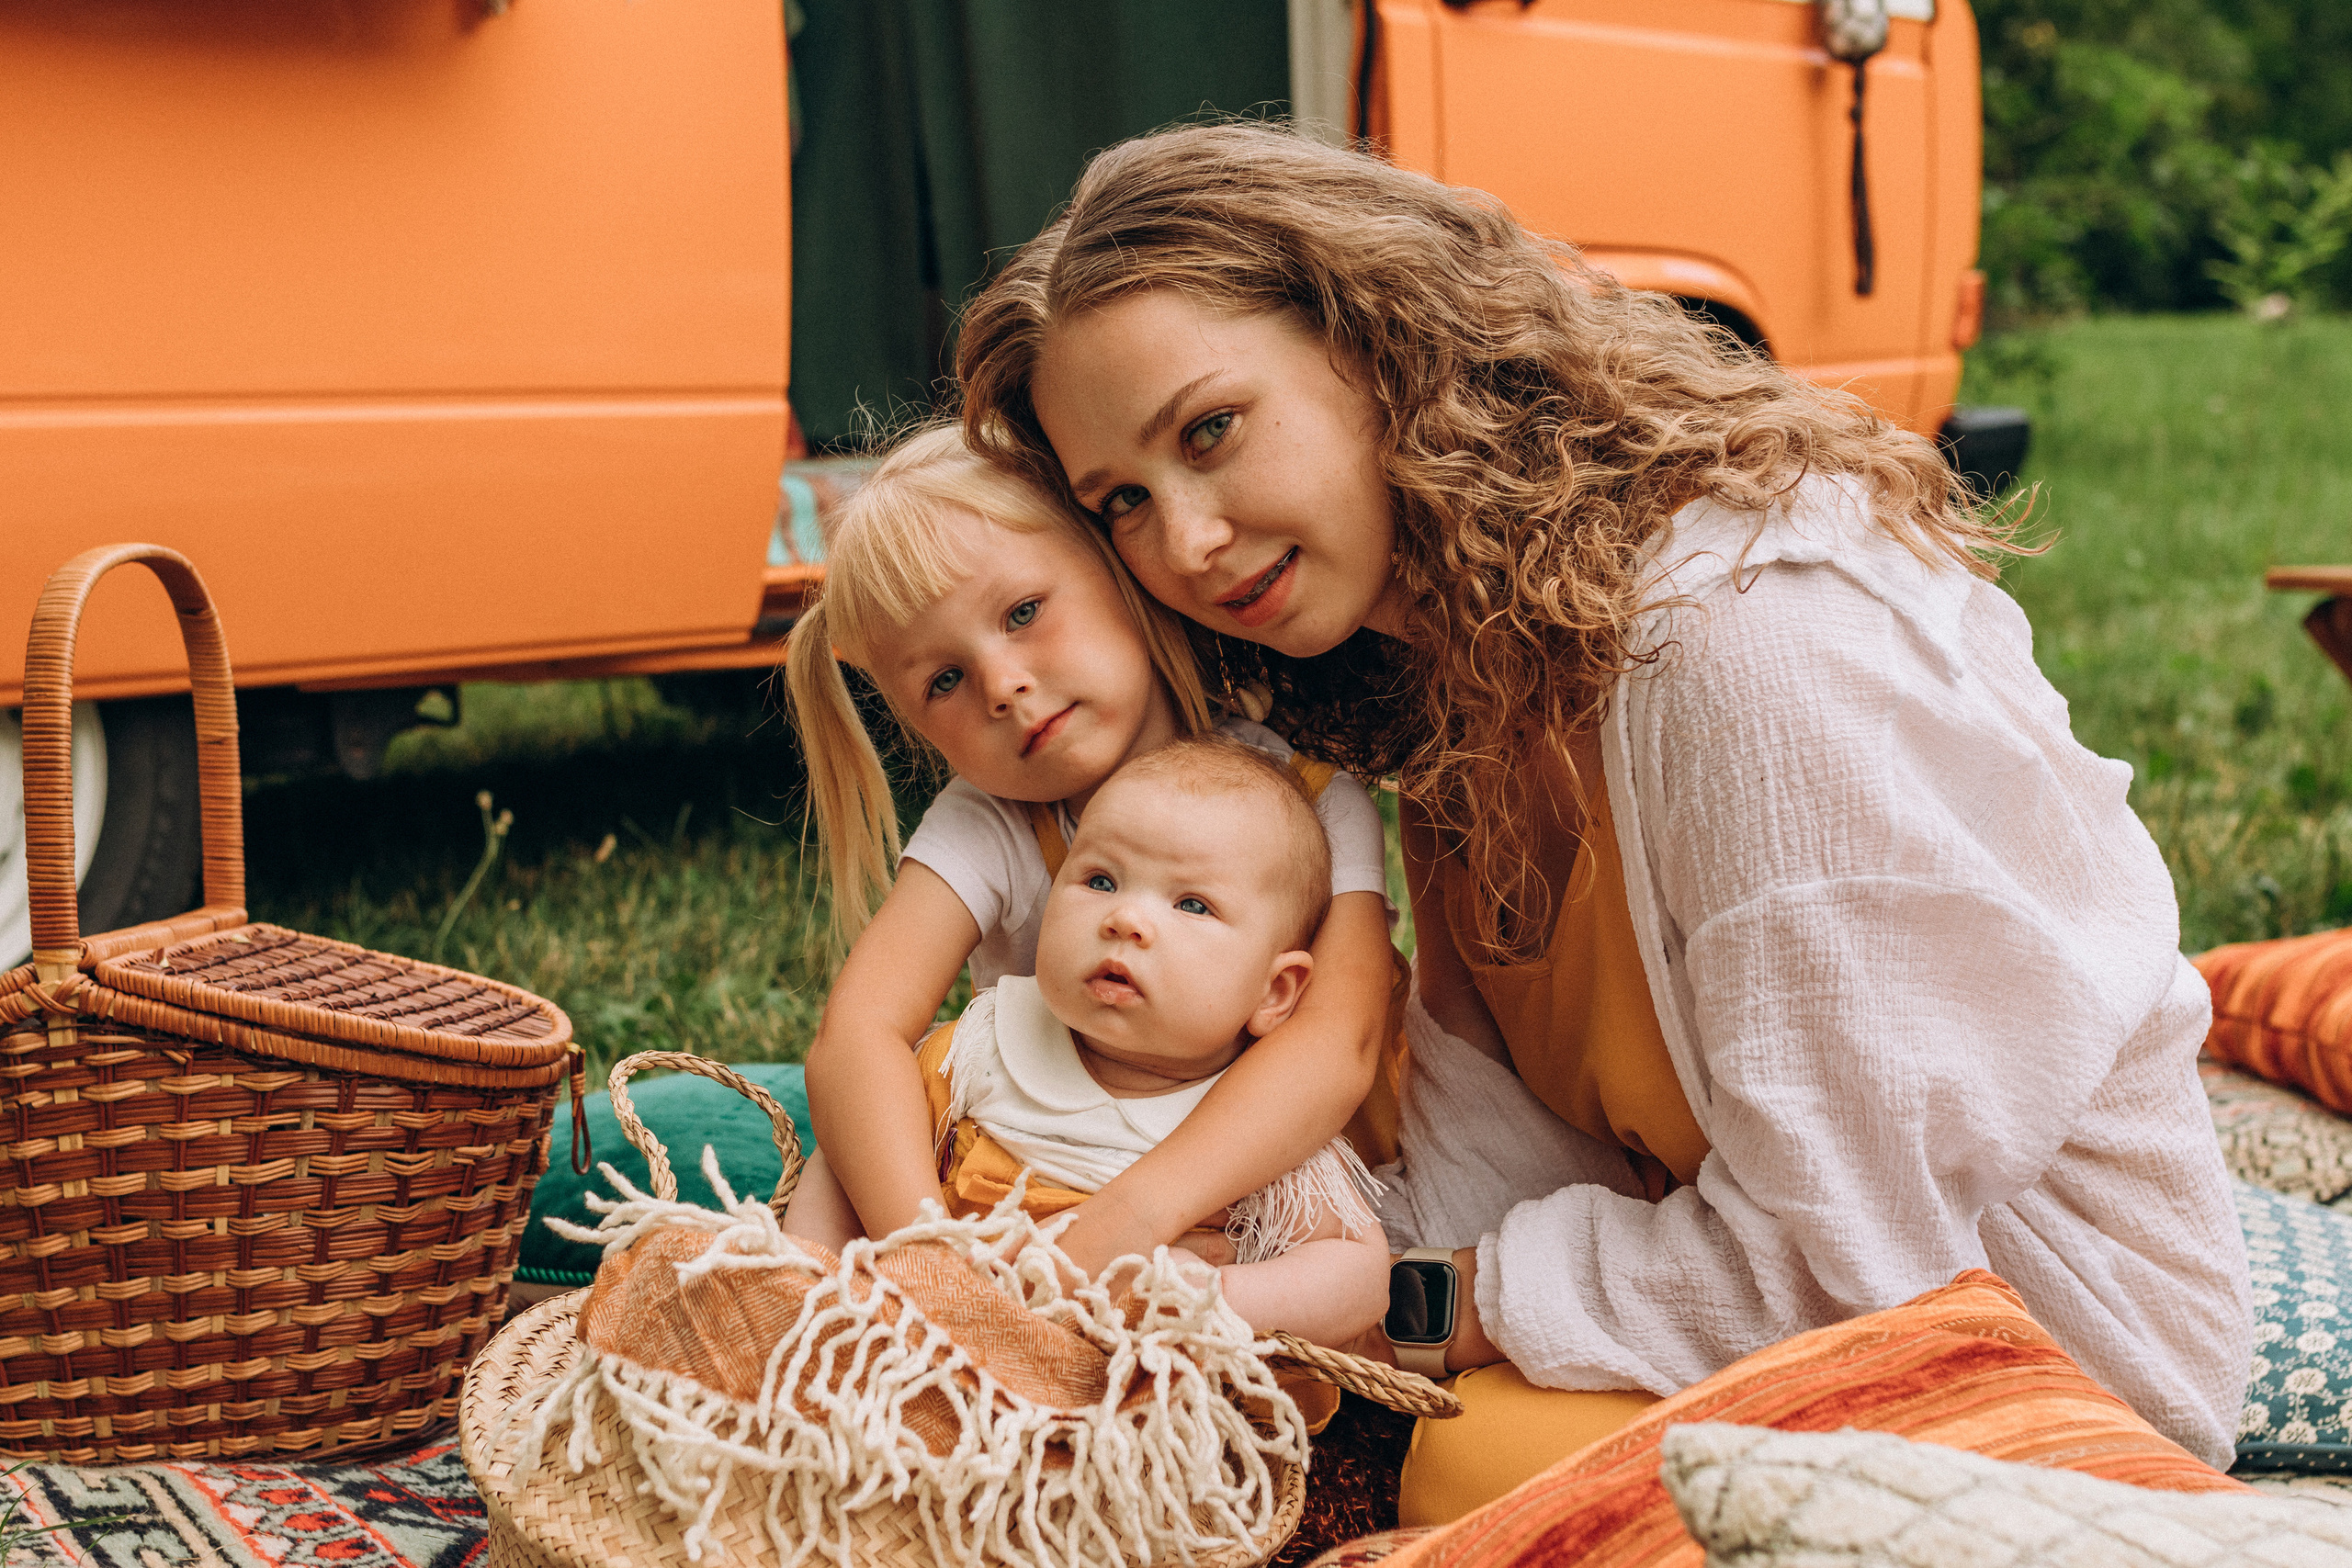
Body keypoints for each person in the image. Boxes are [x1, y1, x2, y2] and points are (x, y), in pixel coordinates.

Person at [953, 121, 2252, 1518]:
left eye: (1210, 431)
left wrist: (1414, 1306)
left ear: (1380, 343)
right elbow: (1498, 1146)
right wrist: (1220, 1261)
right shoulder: (1453, 675)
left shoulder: (1749, 637)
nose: (1187, 541)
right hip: (1736, 1297)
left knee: (1460, 1463)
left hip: (2033, 1357)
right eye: (1125, 502)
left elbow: (1855, 1247)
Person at [779, 423, 1401, 1303]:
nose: (1001, 684)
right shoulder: (993, 821)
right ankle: (799, 1321)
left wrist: (1131, 1220)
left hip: (1224, 1207)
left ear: (1119, 570)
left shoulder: (1308, 803)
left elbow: (1341, 1044)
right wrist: (936, 1258)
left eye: (1024, 613)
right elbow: (857, 1038)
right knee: (834, 1135)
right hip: (1020, 1177)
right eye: (943, 682)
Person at [786, 734, 1392, 1353]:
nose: (1125, 918)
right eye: (1101, 880)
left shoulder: (1266, 1122)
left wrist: (1213, 1293)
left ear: (1274, 991)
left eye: (1191, 903)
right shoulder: (984, 1048)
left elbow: (1359, 1277)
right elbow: (844, 1154)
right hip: (941, 1352)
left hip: (1146, 1397)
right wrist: (820, 1282)